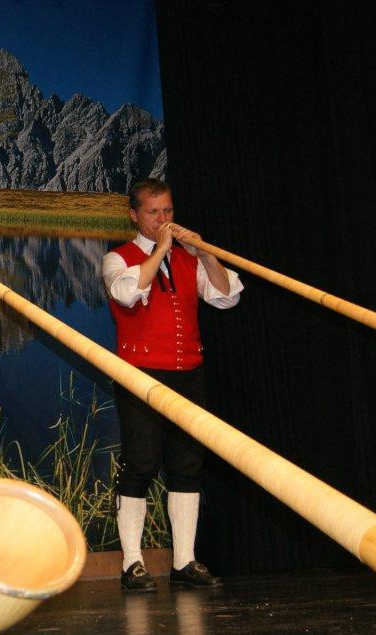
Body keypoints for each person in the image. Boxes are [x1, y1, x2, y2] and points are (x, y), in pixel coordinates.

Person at [102, 178, 243, 593]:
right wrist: (160, 249)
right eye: (153, 212)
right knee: (141, 464)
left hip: (189, 374)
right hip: (141, 375)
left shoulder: (189, 259)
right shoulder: (117, 258)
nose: (162, 219)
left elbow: (226, 297)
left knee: (187, 466)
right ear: (134, 215)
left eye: (168, 211)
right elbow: (127, 295)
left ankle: (184, 561)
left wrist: (205, 254)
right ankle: (132, 563)